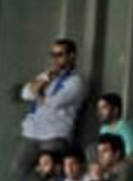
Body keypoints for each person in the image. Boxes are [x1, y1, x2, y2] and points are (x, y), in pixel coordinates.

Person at [17, 39, 84, 174]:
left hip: (55, 134)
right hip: (32, 132)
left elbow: (54, 103)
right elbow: (25, 94)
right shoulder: (47, 76)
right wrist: (45, 79)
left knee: (50, 171)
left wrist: (37, 93)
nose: (55, 59)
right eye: (52, 55)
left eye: (59, 55)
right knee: (19, 169)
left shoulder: (75, 81)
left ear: (71, 56)